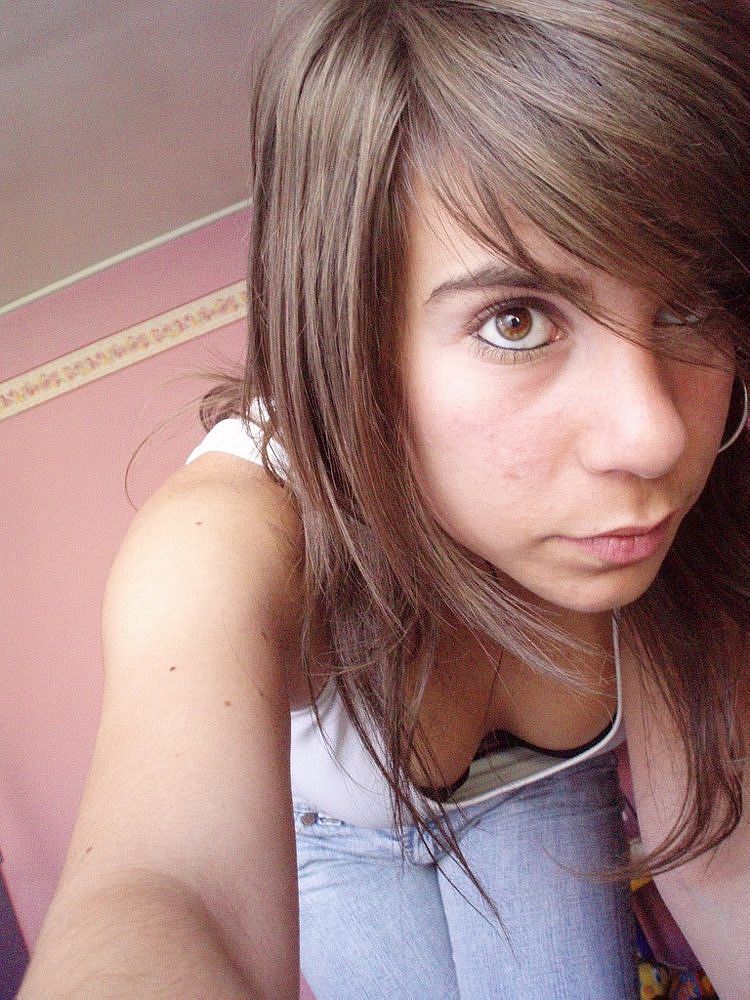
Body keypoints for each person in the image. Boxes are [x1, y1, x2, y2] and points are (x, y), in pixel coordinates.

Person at [20, 0, 750, 997]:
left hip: (549, 794)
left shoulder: (688, 505)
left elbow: (720, 843)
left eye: (689, 301)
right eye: (516, 319)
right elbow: (169, 888)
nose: (655, 434)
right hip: (339, 837)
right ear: (352, 335)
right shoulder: (234, 527)